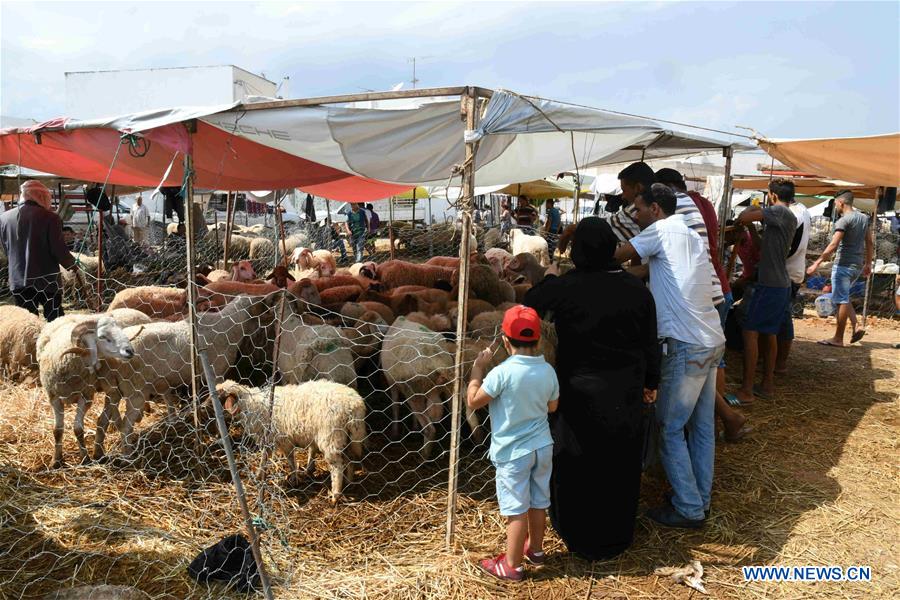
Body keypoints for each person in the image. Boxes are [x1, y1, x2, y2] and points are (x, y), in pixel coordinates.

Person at [524, 218, 659, 559]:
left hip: (579, 393)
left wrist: (551, 275)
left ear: (579, 250)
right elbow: (649, 342)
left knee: (578, 464)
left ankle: (579, 535)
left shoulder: (569, 286)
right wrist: (651, 383)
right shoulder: (636, 289)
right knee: (619, 463)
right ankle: (616, 535)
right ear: (611, 249)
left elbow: (531, 300)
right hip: (624, 392)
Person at [614, 184, 725, 528]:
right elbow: (653, 272)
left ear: (656, 209)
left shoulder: (658, 231)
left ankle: (689, 508)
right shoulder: (691, 236)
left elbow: (616, 255)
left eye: (639, 208)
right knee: (702, 426)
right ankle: (699, 498)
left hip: (685, 343)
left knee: (669, 426)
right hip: (711, 337)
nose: (636, 215)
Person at [467, 305, 559, 581]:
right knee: (538, 501)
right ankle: (537, 551)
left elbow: (474, 401)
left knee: (515, 509)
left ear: (505, 342)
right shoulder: (548, 371)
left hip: (513, 453)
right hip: (542, 447)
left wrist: (476, 370)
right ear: (539, 339)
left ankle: (512, 565)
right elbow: (553, 407)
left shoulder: (502, 373)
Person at [655, 169, 747, 440]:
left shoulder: (681, 204)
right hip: (717, 287)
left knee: (705, 369)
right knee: (710, 367)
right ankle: (722, 422)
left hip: (705, 291)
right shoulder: (703, 203)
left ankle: (721, 421)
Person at [732, 179, 797, 404]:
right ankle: (766, 385)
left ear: (772, 195)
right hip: (779, 284)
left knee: (750, 332)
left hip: (770, 284)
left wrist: (752, 209)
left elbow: (743, 216)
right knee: (769, 334)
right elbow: (761, 247)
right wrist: (751, 229)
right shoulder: (782, 217)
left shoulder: (779, 211)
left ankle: (746, 390)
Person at [0, 180, 79, 321]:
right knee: (54, 320)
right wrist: (71, 264)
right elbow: (58, 249)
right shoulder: (50, 218)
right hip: (46, 279)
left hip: (18, 279)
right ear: (42, 196)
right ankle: (54, 342)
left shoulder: (4, 218)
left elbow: (6, 249)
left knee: (27, 322)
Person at [807, 190, 873, 347]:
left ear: (841, 203)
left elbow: (833, 245)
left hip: (843, 264)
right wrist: (868, 263)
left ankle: (838, 338)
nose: (835, 206)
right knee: (843, 296)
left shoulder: (843, 221)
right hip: (857, 264)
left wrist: (816, 263)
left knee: (840, 299)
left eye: (836, 203)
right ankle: (856, 325)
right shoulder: (864, 218)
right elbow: (869, 242)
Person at [775, 180, 811, 373]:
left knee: (781, 319)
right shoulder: (802, 209)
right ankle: (778, 363)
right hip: (793, 270)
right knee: (783, 317)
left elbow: (788, 244)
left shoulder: (793, 213)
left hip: (787, 271)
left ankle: (779, 363)